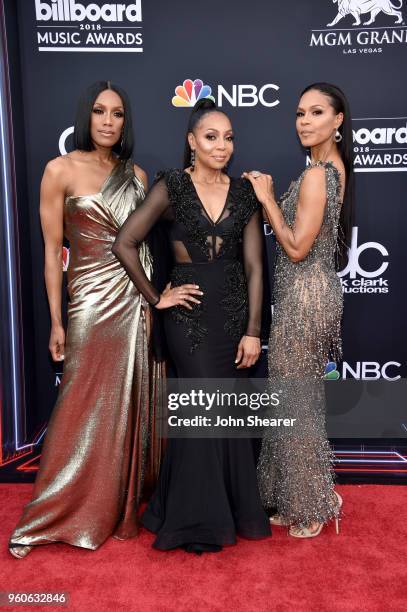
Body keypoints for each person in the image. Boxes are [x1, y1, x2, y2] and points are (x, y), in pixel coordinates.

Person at [9, 81, 164, 558]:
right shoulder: (59, 170)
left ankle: (118, 503)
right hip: (91, 300)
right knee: (79, 403)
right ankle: (57, 509)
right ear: (87, 116)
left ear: (125, 121)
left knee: (129, 402)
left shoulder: (136, 174)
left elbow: (139, 244)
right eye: (100, 111)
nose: (108, 121)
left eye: (117, 113)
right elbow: (52, 252)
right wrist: (56, 321)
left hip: (136, 298)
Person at [113, 98, 271, 553]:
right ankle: (197, 519)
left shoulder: (245, 193)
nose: (222, 146)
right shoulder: (171, 187)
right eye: (211, 137)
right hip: (189, 319)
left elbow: (255, 268)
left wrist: (254, 330)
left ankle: (230, 506)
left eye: (228, 137)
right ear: (191, 141)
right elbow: (125, 242)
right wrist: (156, 296)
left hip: (235, 316)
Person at [243, 82, 354, 538]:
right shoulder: (330, 169)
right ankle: (294, 496)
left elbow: (294, 247)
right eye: (299, 113)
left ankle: (313, 504)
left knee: (298, 405)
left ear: (338, 121)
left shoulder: (316, 175)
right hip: (306, 295)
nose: (304, 121)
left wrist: (267, 196)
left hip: (306, 298)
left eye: (316, 112)